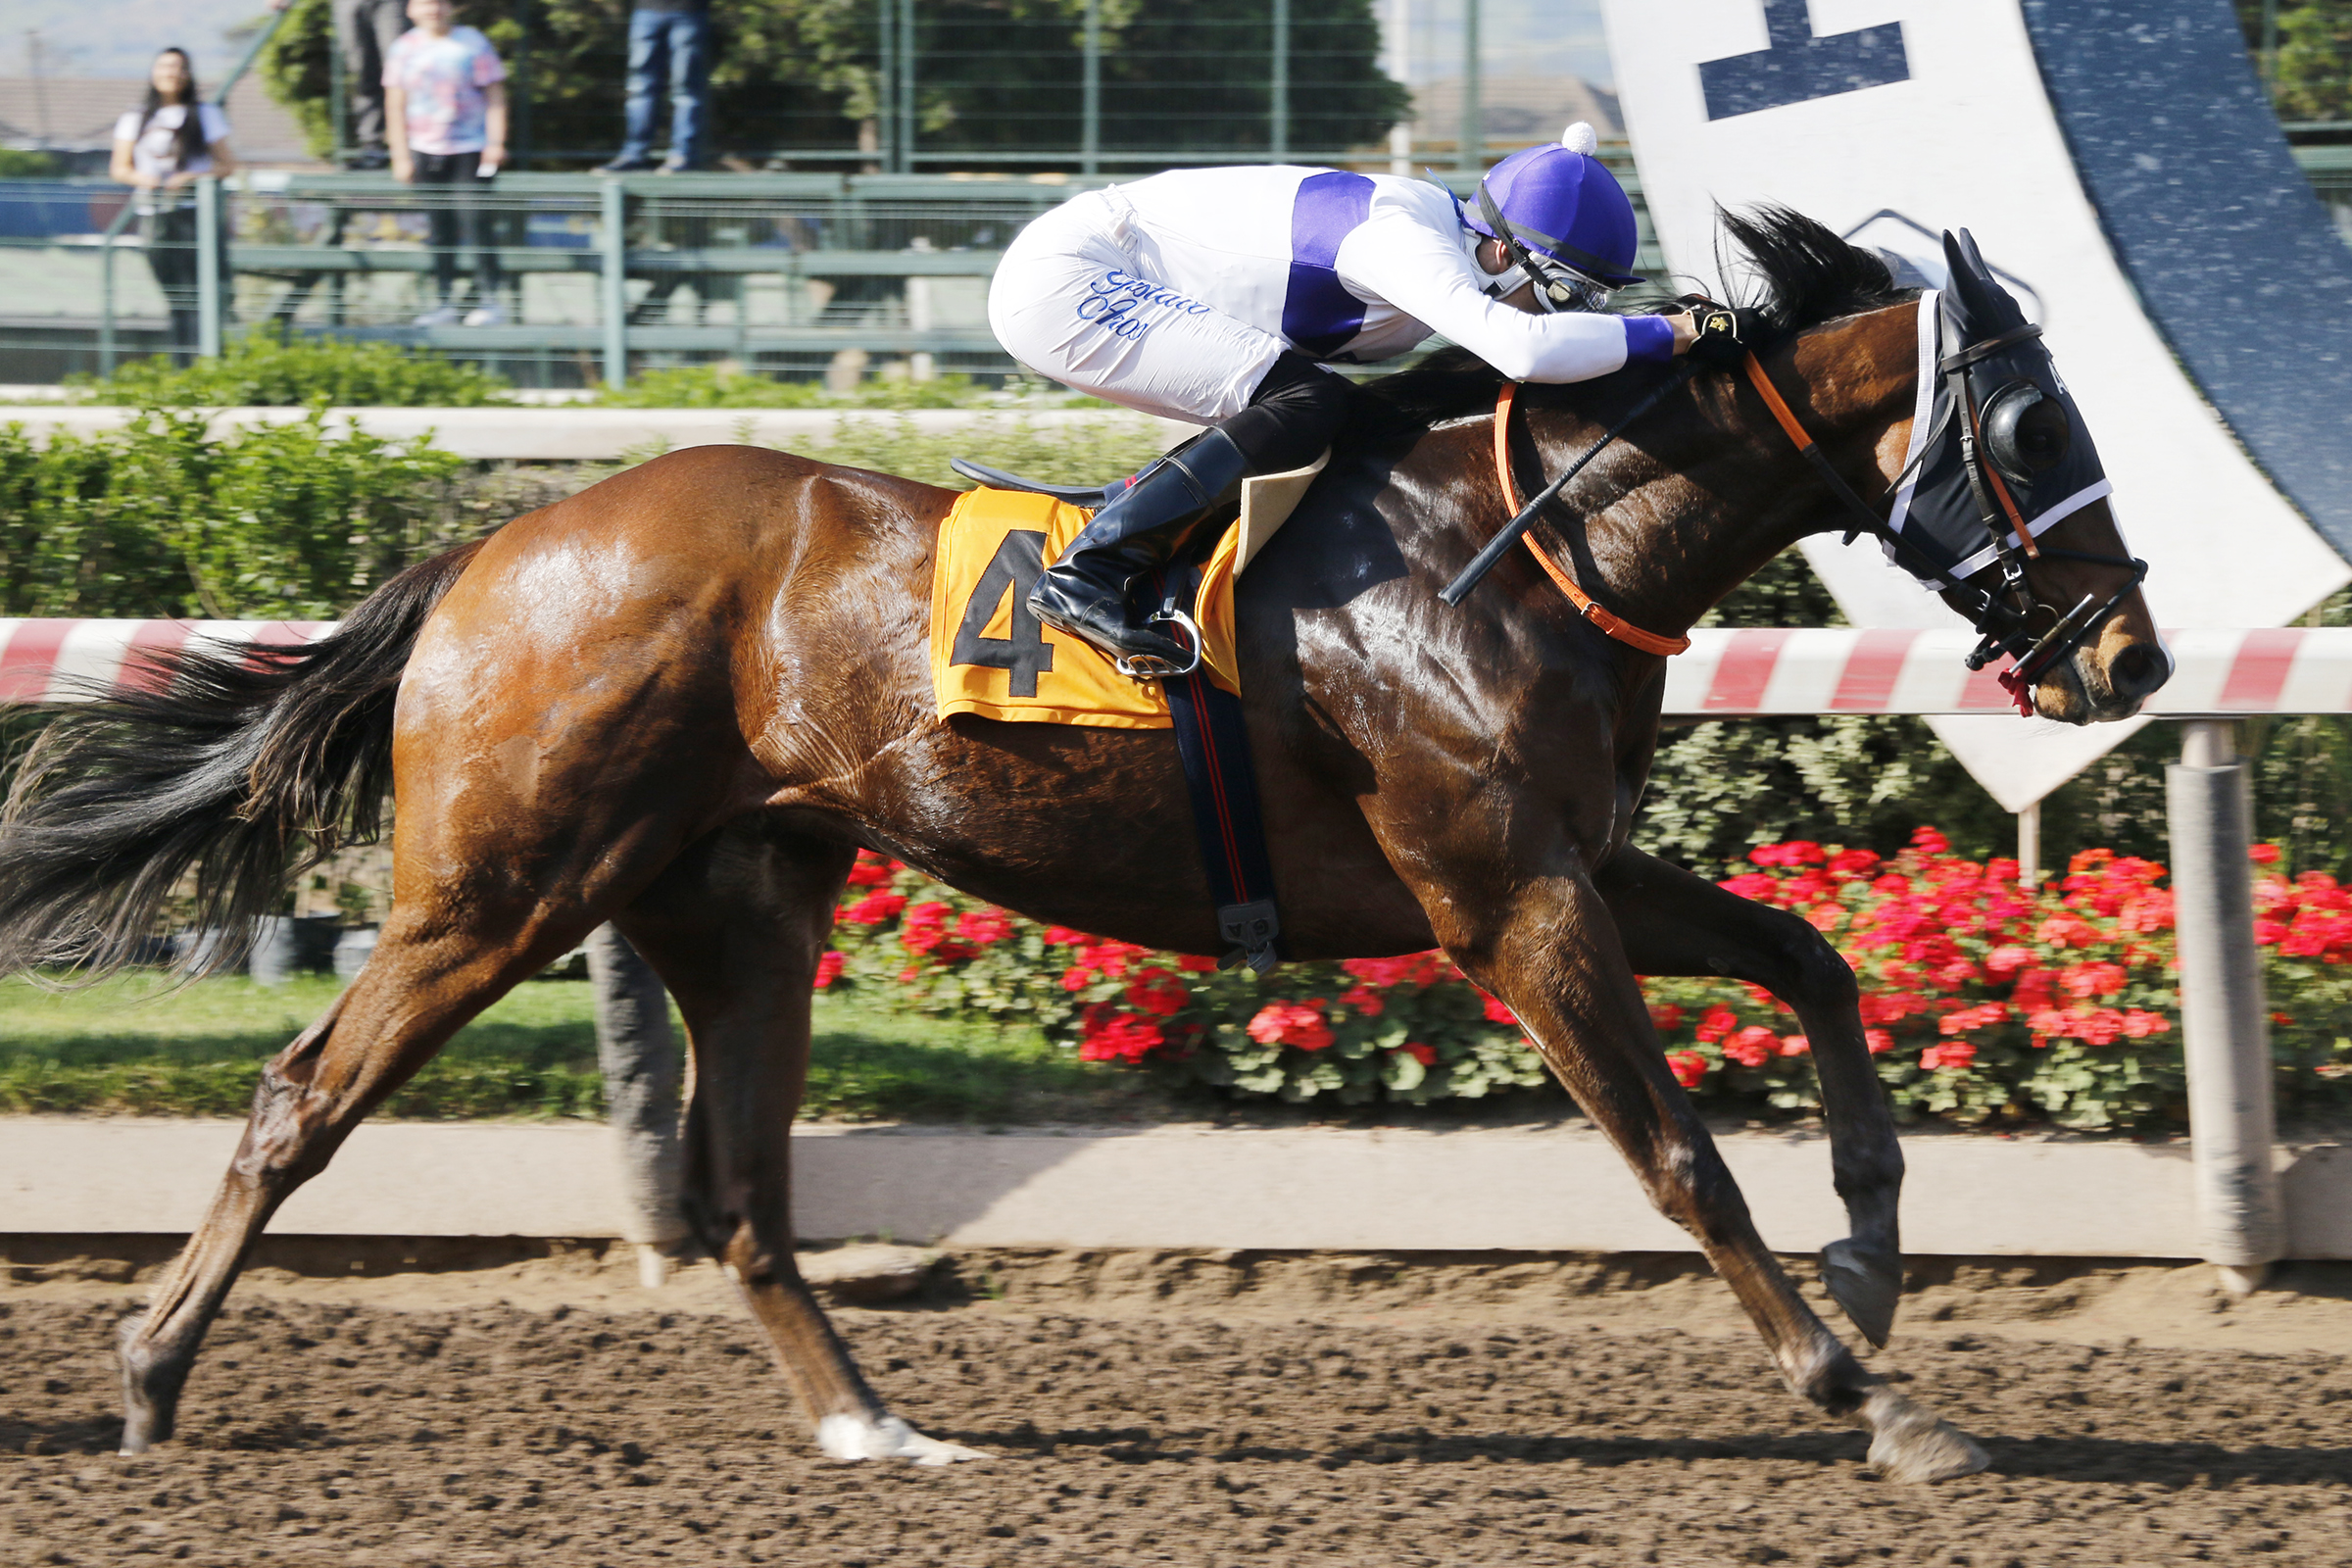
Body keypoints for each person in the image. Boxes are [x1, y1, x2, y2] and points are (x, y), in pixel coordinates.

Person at [987, 123, 1714, 675]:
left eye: (1586, 302)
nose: (1564, 315)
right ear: (1501, 251)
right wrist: (1675, 332)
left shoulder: (1445, 244)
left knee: (1341, 413)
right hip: (1067, 279)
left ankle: (1144, 512)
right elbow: (1524, 351)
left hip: (1103, 272)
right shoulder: (1404, 240)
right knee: (1308, 402)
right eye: (1562, 293)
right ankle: (1089, 571)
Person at [385, 0, 509, 326]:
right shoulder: (403, 48)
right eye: (426, 3)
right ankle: (443, 303)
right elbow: (395, 105)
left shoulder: (473, 42)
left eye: (440, 2)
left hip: (471, 149)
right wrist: (400, 155)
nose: (434, 10)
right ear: (411, 9)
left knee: (477, 223)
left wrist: (496, 142)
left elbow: (495, 95)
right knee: (439, 231)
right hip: (424, 151)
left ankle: (491, 301)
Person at [110, 48, 235, 364]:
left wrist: (190, 178)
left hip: (195, 214)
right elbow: (120, 168)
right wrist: (145, 179)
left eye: (179, 67)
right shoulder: (135, 118)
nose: (171, 73)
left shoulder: (204, 114)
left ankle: (208, 361)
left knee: (202, 292)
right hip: (155, 214)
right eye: (165, 66)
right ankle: (183, 363)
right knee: (175, 296)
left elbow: (226, 165)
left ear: (188, 74)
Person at [599, 0, 712, 173]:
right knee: (640, 87)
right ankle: (633, 155)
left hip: (689, 10)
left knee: (685, 88)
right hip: (645, 11)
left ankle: (683, 156)